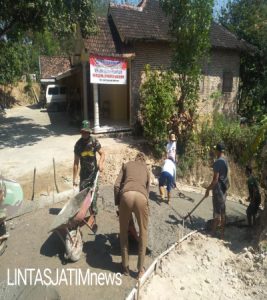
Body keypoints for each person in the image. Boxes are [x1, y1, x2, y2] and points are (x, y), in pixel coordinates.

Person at [114, 152, 150, 278]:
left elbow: (116, 185)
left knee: (123, 232)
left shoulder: (127, 164)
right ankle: (140, 270)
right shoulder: (146, 169)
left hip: (126, 195)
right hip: (142, 197)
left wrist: (118, 202)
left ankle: (125, 267)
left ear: (135, 159)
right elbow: (147, 191)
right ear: (144, 161)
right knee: (143, 232)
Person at [73, 120, 105, 230]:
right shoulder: (78, 145)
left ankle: (93, 217)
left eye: (86, 132)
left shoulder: (94, 141)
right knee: (82, 197)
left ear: (89, 132)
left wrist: (101, 163)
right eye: (83, 132)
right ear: (81, 132)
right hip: (84, 176)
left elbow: (102, 153)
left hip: (93, 174)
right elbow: (76, 163)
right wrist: (74, 179)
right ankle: (80, 217)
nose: (84, 134)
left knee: (93, 197)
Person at [205, 142, 229, 238]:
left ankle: (213, 233)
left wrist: (208, 189)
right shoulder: (226, 160)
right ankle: (222, 235)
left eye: (216, 149)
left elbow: (215, 180)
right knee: (222, 211)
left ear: (218, 151)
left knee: (216, 212)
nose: (215, 151)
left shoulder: (218, 162)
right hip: (223, 189)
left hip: (218, 189)